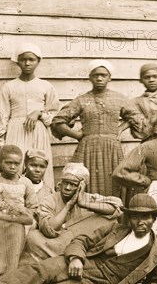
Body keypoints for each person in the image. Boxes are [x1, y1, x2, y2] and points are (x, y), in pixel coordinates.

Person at [0, 194, 157, 284]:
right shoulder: (115, 228)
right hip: (84, 262)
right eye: (135, 217)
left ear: (154, 219)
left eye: (146, 217)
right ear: (129, 218)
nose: (141, 222)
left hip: (98, 282)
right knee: (41, 270)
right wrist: (77, 259)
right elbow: (82, 240)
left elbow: (156, 280)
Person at [51, 59, 140, 197]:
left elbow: (136, 117)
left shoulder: (118, 98)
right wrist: (77, 135)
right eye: (95, 75)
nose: (99, 78)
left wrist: (120, 129)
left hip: (112, 148)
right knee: (85, 182)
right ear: (90, 77)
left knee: (113, 182)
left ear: (109, 78)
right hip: (87, 148)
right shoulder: (82, 99)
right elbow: (58, 121)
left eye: (103, 75)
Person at [0, 44, 59, 189]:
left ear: (38, 61)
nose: (27, 63)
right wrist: (1, 144)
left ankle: (42, 202)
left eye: (31, 59)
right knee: (16, 167)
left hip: (38, 132)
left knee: (38, 166)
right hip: (16, 131)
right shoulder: (9, 87)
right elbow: (1, 115)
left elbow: (54, 116)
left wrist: (39, 114)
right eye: (23, 60)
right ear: (18, 62)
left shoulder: (45, 86)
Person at [25, 163, 122, 262]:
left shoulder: (90, 199)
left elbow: (116, 207)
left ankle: (72, 256)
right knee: (33, 237)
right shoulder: (49, 200)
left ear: (82, 186)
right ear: (60, 183)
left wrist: (83, 203)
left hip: (83, 242)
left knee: (106, 218)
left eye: (73, 185)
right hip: (58, 242)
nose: (67, 187)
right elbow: (49, 229)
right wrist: (68, 205)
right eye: (65, 183)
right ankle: (72, 257)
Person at [0, 145, 38, 213]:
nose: (12, 167)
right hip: (1, 217)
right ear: (0, 163)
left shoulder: (26, 182)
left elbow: (33, 206)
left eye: (16, 164)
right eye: (9, 163)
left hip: (22, 218)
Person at [132, 63, 157, 142]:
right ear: (141, 80)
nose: (151, 80)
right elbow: (138, 133)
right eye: (147, 77)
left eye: (155, 76)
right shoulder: (136, 103)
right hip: (147, 144)